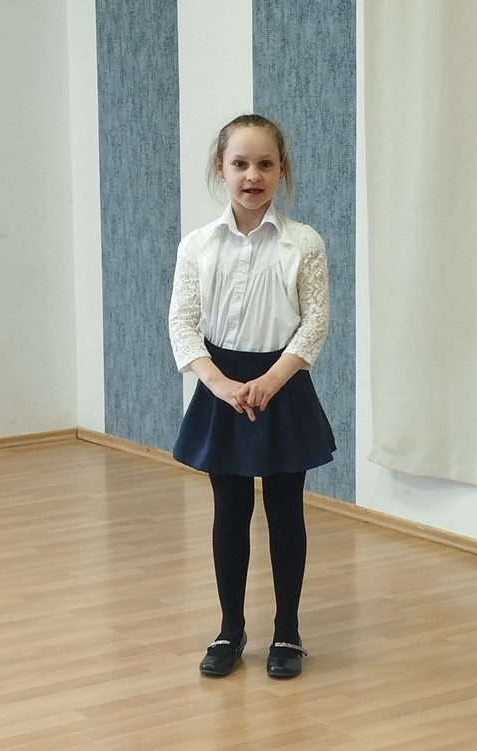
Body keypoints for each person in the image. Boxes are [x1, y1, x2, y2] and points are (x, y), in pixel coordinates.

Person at [168, 114, 335, 679]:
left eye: (265, 164)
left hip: (281, 384)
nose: (252, 175)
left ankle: (287, 631)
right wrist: (220, 384)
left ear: (281, 170)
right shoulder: (198, 245)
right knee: (230, 511)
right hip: (223, 388)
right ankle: (230, 629)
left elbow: (315, 322)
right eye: (240, 163)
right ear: (221, 168)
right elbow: (183, 323)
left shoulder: (302, 243)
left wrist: (272, 379)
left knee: (286, 512)